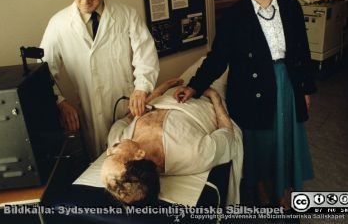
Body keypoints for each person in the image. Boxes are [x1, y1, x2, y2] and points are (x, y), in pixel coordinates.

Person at [173, 0, 316, 209]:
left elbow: (302, 51)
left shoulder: (291, 6)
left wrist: (306, 89)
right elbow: (217, 58)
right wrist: (194, 87)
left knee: (285, 138)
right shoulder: (234, 15)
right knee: (258, 143)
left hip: (287, 82)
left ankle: (284, 188)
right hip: (251, 88)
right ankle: (260, 186)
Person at [40, 0, 159, 159]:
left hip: (126, 105)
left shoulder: (126, 15)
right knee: (98, 165)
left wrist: (142, 88)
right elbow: (43, 71)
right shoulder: (58, 24)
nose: (85, 1)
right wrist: (59, 101)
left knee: (129, 161)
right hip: (88, 111)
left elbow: (146, 55)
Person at [101, 77, 243, 204]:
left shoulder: (117, 138)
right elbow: (227, 134)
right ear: (139, 155)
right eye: (114, 154)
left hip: (171, 90)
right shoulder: (193, 153)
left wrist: (160, 90)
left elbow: (128, 117)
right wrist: (214, 96)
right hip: (204, 96)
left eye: (108, 154)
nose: (109, 149)